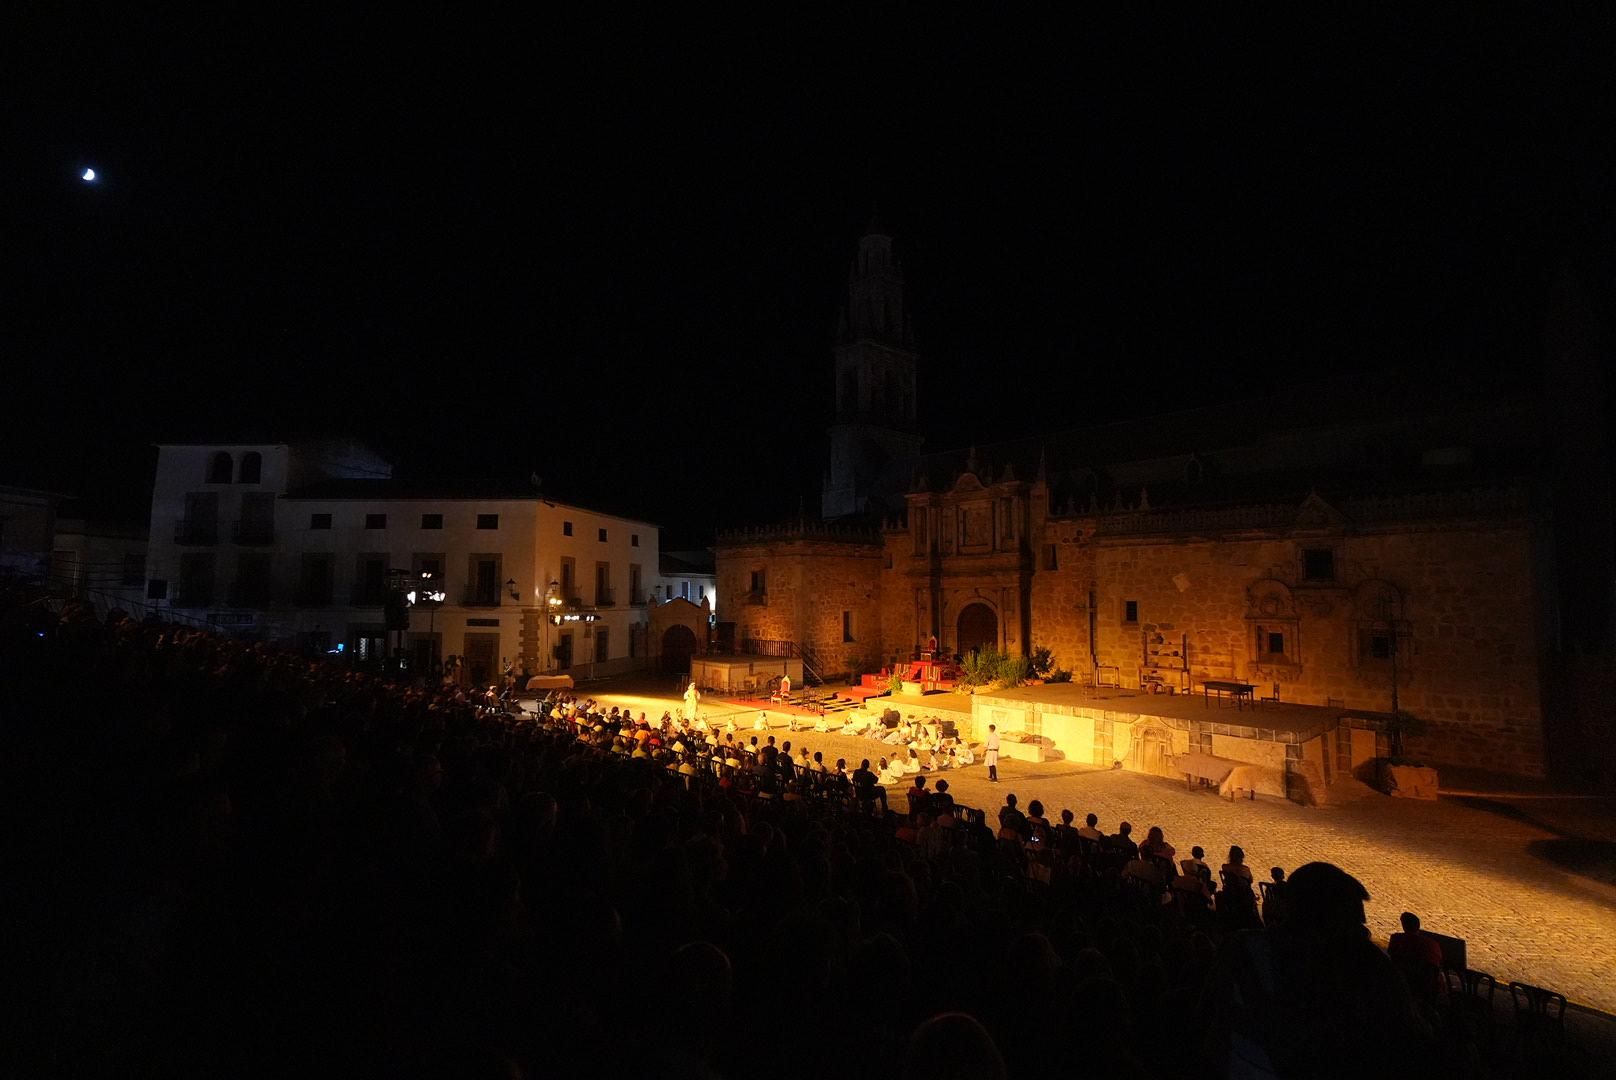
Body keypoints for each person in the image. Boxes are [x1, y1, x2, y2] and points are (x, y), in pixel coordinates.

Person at [1387, 911, 1445, 1006]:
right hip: (1427, 986)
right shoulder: (1432, 944)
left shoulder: (1396, 939)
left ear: (1403, 925)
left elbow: (1392, 955)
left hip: (1404, 983)